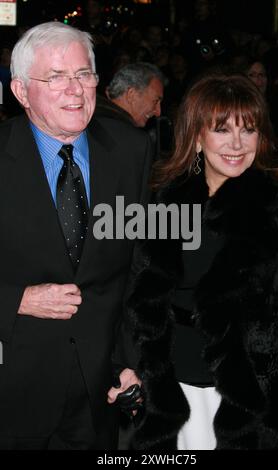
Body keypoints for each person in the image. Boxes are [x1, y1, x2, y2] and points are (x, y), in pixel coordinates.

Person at [108, 74, 278, 449]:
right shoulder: (164, 203)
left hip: (251, 390)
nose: (237, 144)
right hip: (172, 386)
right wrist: (125, 367)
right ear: (196, 136)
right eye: (222, 130)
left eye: (249, 130)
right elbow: (135, 295)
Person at [0, 21, 151, 450]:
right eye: (56, 77)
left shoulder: (131, 151)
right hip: (11, 385)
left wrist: (129, 361)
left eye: (83, 74)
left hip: (97, 391)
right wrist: (18, 300)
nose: (75, 89)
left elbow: (137, 270)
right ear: (21, 92)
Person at [103, 62, 164, 128]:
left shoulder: (95, 119)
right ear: (131, 95)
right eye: (156, 101)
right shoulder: (131, 136)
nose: (158, 112)